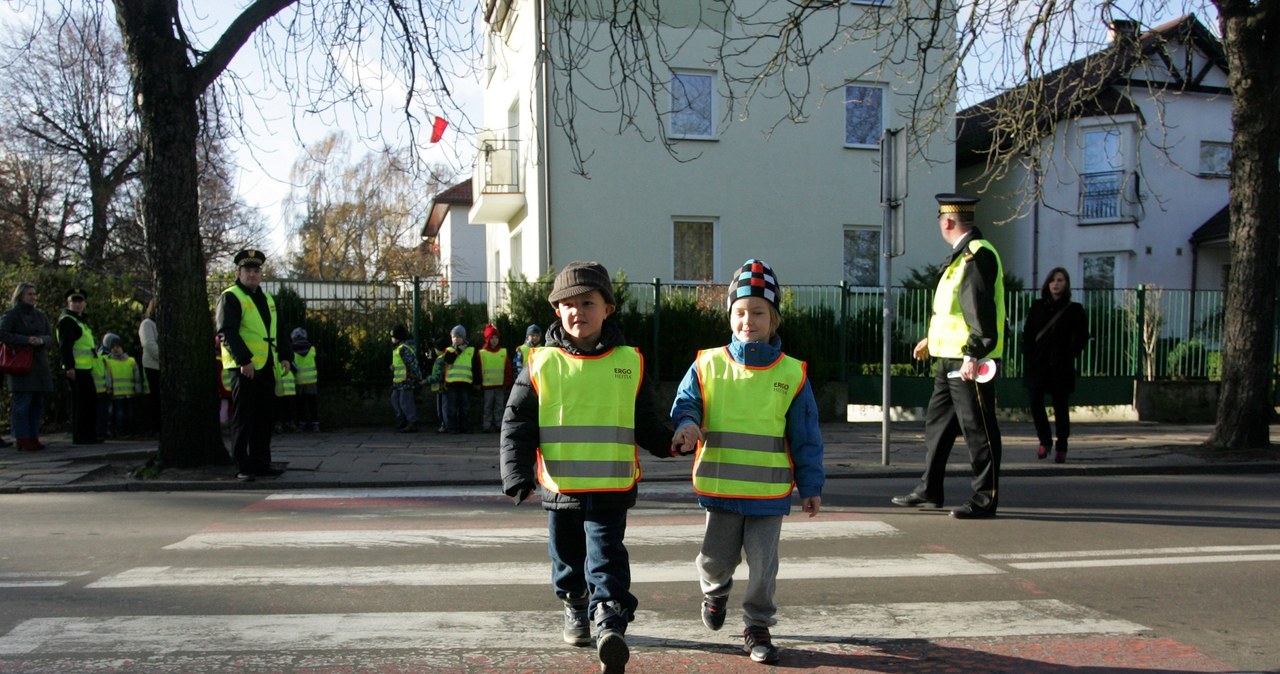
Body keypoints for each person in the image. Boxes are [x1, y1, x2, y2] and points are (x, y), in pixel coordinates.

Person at [500, 261, 676, 674]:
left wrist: (670, 442)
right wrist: (517, 476)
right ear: (557, 312)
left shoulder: (629, 363)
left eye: (587, 302)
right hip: (561, 488)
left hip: (611, 487)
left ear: (608, 309)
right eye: (568, 304)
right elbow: (517, 423)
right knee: (566, 557)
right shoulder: (541, 363)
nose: (577, 311)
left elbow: (645, 422)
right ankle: (575, 605)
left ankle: (610, 622)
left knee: (606, 556)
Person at [669, 259, 825, 665]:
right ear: (730, 317)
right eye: (740, 311)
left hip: (769, 496)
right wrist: (686, 425)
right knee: (714, 561)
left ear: (773, 320)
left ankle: (758, 626)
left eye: (758, 312)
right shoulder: (708, 363)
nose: (748, 320)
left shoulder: (791, 373)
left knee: (762, 569)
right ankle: (715, 592)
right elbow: (686, 402)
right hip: (720, 491)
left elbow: (806, 436)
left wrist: (811, 487)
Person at [891, 193, 1005, 519]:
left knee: (979, 432)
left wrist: (973, 354)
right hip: (950, 357)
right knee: (937, 427)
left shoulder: (976, 256)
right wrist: (932, 339)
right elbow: (955, 310)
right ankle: (930, 491)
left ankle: (985, 498)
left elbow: (979, 310)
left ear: (948, 221)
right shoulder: (961, 256)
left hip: (970, 361)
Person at [215, 248, 291, 482]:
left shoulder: (266, 298)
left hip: (266, 365)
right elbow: (226, 331)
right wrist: (244, 360)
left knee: (264, 417)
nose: (252, 274)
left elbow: (278, 329)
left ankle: (261, 463)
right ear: (238, 272)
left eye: (256, 270)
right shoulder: (231, 296)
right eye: (248, 270)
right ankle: (242, 465)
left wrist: (286, 355)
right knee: (244, 418)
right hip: (245, 368)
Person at [1022, 267, 1090, 463]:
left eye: (1060, 280)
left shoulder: (1074, 309)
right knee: (1035, 402)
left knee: (1060, 406)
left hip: (1061, 365)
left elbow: (1082, 337)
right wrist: (1029, 354)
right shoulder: (1037, 306)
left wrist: (1071, 353)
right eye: (1052, 280)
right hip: (1038, 363)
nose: (1056, 283)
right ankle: (1044, 441)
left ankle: (1062, 445)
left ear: (1066, 284)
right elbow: (1028, 333)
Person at [0, 283, 55, 451]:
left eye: (34, 294)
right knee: (23, 403)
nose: (33, 297)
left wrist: (41, 341)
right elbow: (2, 333)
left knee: (37, 403)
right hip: (21, 365)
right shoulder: (12, 314)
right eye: (29, 294)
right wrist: (25, 340)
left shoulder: (40, 315)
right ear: (20, 296)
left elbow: (50, 337)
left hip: (39, 365)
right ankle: (22, 437)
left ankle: (33, 436)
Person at [57, 287, 102, 445]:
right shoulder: (68, 321)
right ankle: (82, 436)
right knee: (80, 404)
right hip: (76, 369)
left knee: (88, 402)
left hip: (85, 368)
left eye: (80, 301)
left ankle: (88, 434)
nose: (77, 304)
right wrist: (69, 367)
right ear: (68, 303)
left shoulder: (80, 321)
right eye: (74, 301)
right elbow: (65, 346)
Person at [102, 333, 146, 437]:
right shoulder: (108, 361)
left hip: (130, 393)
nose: (116, 350)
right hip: (117, 394)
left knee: (130, 413)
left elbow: (137, 378)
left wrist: (138, 389)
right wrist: (109, 388)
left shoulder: (131, 361)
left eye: (118, 347)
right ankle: (120, 430)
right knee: (119, 414)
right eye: (113, 348)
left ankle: (129, 430)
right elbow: (108, 376)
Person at [441, 324, 479, 433]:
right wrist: (458, 350)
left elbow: (475, 367)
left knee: (465, 407)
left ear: (463, 337)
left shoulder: (471, 350)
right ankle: (452, 427)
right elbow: (449, 360)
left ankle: (465, 426)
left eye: (458, 337)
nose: (456, 339)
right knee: (452, 407)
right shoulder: (449, 350)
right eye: (454, 337)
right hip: (452, 383)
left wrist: (477, 382)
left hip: (466, 383)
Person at [478, 323, 513, 433]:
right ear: (487, 339)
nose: (494, 340)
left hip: (500, 386)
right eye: (492, 338)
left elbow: (508, 369)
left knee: (499, 407)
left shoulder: (503, 352)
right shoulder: (482, 353)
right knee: (487, 407)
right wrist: (478, 383)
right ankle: (486, 425)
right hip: (487, 386)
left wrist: (507, 382)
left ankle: (499, 424)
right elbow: (479, 368)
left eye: (496, 338)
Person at [390, 323, 422, 432]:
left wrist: (416, 377)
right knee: (395, 399)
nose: (391, 339)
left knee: (405, 401)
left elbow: (412, 363)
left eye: (393, 336)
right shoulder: (398, 348)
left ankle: (412, 421)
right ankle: (402, 419)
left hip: (406, 380)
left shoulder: (404, 349)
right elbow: (400, 363)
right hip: (398, 381)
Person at [291, 327, 320, 432]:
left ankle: (301, 424)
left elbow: (292, 365)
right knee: (313, 404)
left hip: (298, 381)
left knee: (300, 405)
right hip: (311, 381)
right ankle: (315, 424)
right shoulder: (312, 349)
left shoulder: (292, 350)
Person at [138, 299, 160, 434]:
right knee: (155, 398)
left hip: (161, 366)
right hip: (153, 365)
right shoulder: (147, 324)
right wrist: (165, 359)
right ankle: (155, 426)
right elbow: (149, 344)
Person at [428, 336, 450, 432]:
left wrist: (428, 380)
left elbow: (438, 376)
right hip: (445, 387)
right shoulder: (447, 357)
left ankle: (445, 425)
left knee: (442, 408)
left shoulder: (440, 360)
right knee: (444, 407)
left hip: (442, 388)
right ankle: (446, 424)